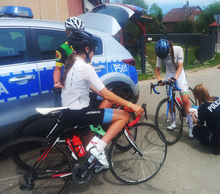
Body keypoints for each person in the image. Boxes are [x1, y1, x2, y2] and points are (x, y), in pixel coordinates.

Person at [60, 30, 144, 171]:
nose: (93, 54)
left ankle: (94, 163)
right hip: (79, 113)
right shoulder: (85, 67)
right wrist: (131, 105)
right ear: (87, 49)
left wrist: (108, 93)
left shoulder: (71, 65)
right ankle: (99, 148)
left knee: (89, 138)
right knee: (124, 116)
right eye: (93, 51)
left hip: (69, 112)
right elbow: (106, 96)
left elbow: (93, 87)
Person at [154, 39, 194, 138]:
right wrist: (159, 80)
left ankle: (191, 126)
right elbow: (157, 70)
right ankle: (174, 122)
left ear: (170, 49)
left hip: (179, 74)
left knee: (185, 101)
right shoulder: (160, 54)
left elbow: (180, 66)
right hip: (169, 74)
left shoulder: (178, 50)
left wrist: (175, 78)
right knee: (170, 100)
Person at [191, 84, 220, 155]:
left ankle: (218, 144)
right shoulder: (217, 98)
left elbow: (199, 124)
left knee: (195, 130)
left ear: (197, 96)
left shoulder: (203, 108)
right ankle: (218, 140)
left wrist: (193, 117)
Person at [53, 16, 85, 89]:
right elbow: (58, 69)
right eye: (73, 32)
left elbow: (89, 64)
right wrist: (57, 83)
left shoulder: (85, 47)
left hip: (85, 81)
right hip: (71, 83)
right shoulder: (62, 48)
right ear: (67, 31)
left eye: (78, 33)